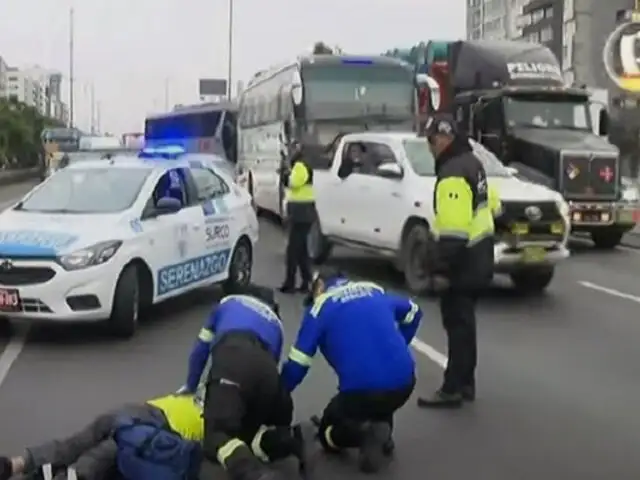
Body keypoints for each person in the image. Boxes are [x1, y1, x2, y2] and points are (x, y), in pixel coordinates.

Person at [280, 268, 421, 474]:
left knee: (327, 432)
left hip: (361, 393)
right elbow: (414, 311)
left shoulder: (320, 308)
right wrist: (400, 343)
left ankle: (362, 435)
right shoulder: (373, 289)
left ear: (319, 286)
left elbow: (297, 364)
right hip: (405, 383)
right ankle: (382, 434)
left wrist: (278, 394)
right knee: (381, 402)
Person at [181, 284, 301, 480]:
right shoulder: (276, 323)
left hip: (232, 357)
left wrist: (190, 386)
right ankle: (295, 441)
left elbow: (200, 350)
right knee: (248, 436)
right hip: (267, 373)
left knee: (216, 437)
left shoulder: (229, 302)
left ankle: (255, 475)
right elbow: (268, 378)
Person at [416, 113, 495, 409]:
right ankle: (466, 384)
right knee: (465, 325)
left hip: (463, 261)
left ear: (444, 138)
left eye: (431, 140)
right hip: (480, 255)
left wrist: (439, 269)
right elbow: (491, 204)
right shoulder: (473, 164)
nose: (430, 147)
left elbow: (452, 232)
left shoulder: (452, 173)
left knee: (457, 326)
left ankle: (452, 388)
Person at [0, 392, 203, 480]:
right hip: (151, 429)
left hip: (134, 410)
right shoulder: (216, 426)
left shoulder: (197, 397)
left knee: (77, 443)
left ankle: (16, 464)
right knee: (102, 458)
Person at [279, 147, 316, 294]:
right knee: (301, 251)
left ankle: (290, 283)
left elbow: (293, 183)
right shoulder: (303, 165)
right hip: (304, 211)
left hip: (301, 212)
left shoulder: (300, 166)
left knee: (293, 251)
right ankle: (307, 282)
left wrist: (284, 175)